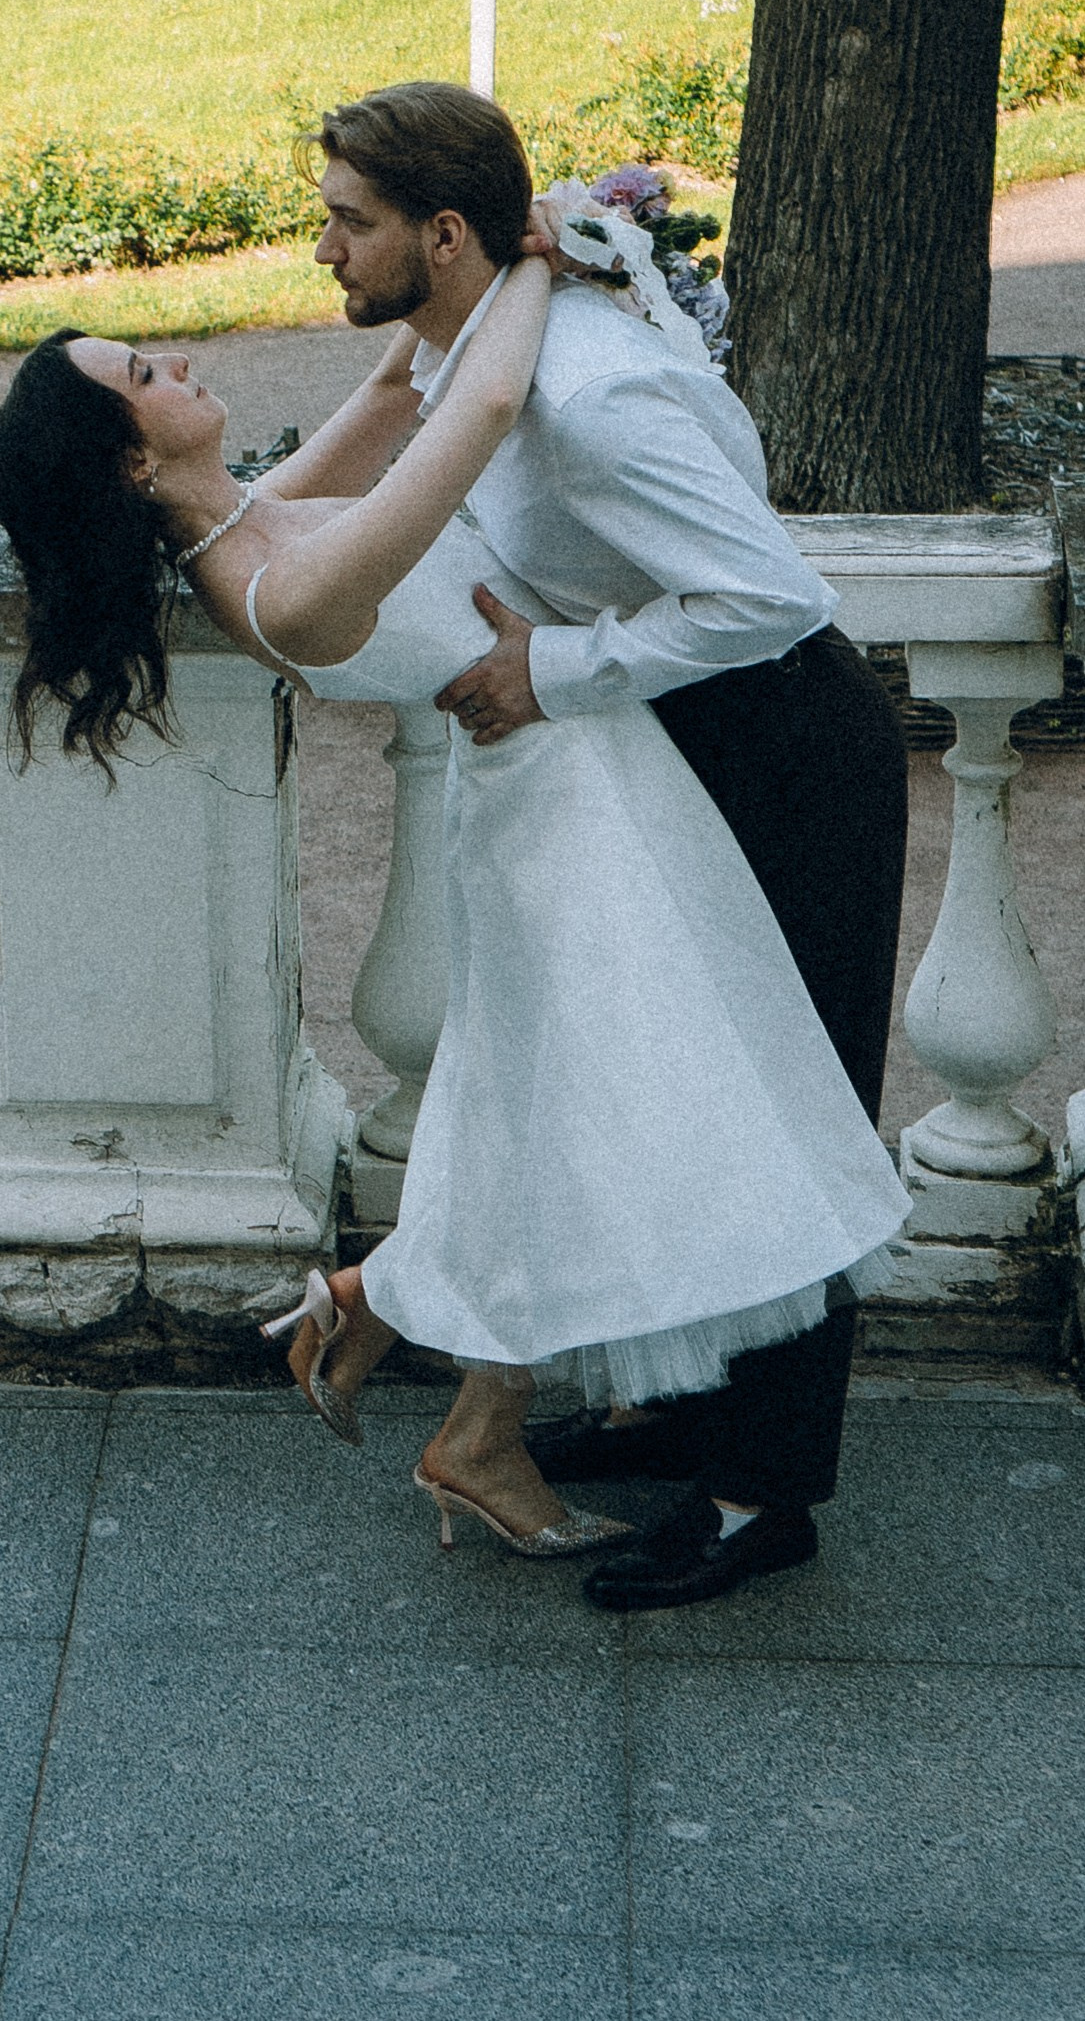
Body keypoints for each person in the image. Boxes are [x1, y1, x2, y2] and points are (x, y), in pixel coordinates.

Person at [0, 112, 909, 1594]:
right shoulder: (276, 584)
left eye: (348, 219)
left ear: (437, 236)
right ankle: (509, 1376)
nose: (181, 362)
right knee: (654, 1118)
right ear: (126, 460)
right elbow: (458, 423)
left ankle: (692, 1460)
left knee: (685, 1110)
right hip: (578, 807)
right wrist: (535, 261)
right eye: (146, 378)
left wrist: (562, 239)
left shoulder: (253, 514)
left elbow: (407, 386)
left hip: (678, 766)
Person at [275, 79, 914, 1609]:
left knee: (777, 1109)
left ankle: (764, 1497)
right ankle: (691, 1414)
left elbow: (768, 595)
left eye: (347, 224)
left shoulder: (587, 392)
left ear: (441, 235)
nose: (322, 251)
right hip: (672, 743)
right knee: (669, 1092)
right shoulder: (484, 349)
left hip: (778, 755)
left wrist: (546, 672)